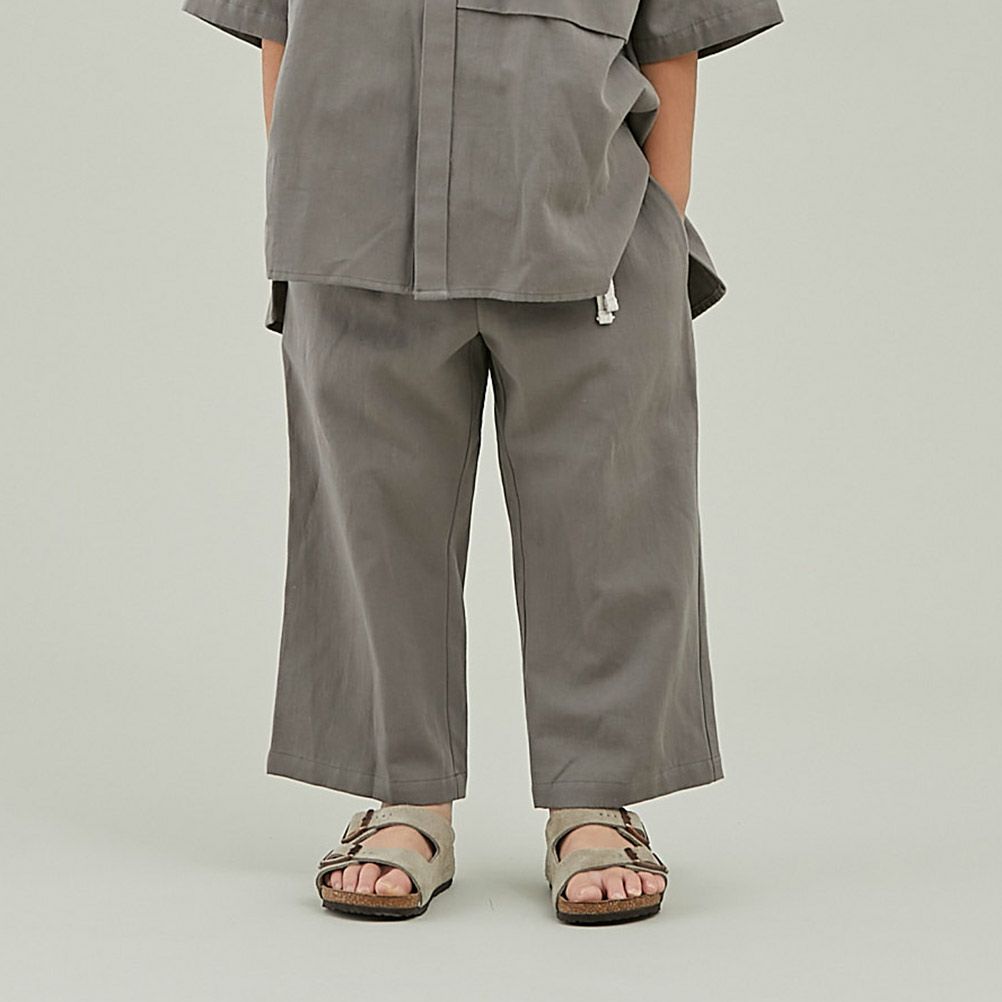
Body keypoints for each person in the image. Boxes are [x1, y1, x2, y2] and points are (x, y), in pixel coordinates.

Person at [182, 0, 784, 924]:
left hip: (588, 231)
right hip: (353, 225)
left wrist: (655, 225)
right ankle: (405, 800)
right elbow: (278, 24)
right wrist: (312, 192)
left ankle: (595, 801)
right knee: (372, 521)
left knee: (610, 521)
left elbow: (674, 34)